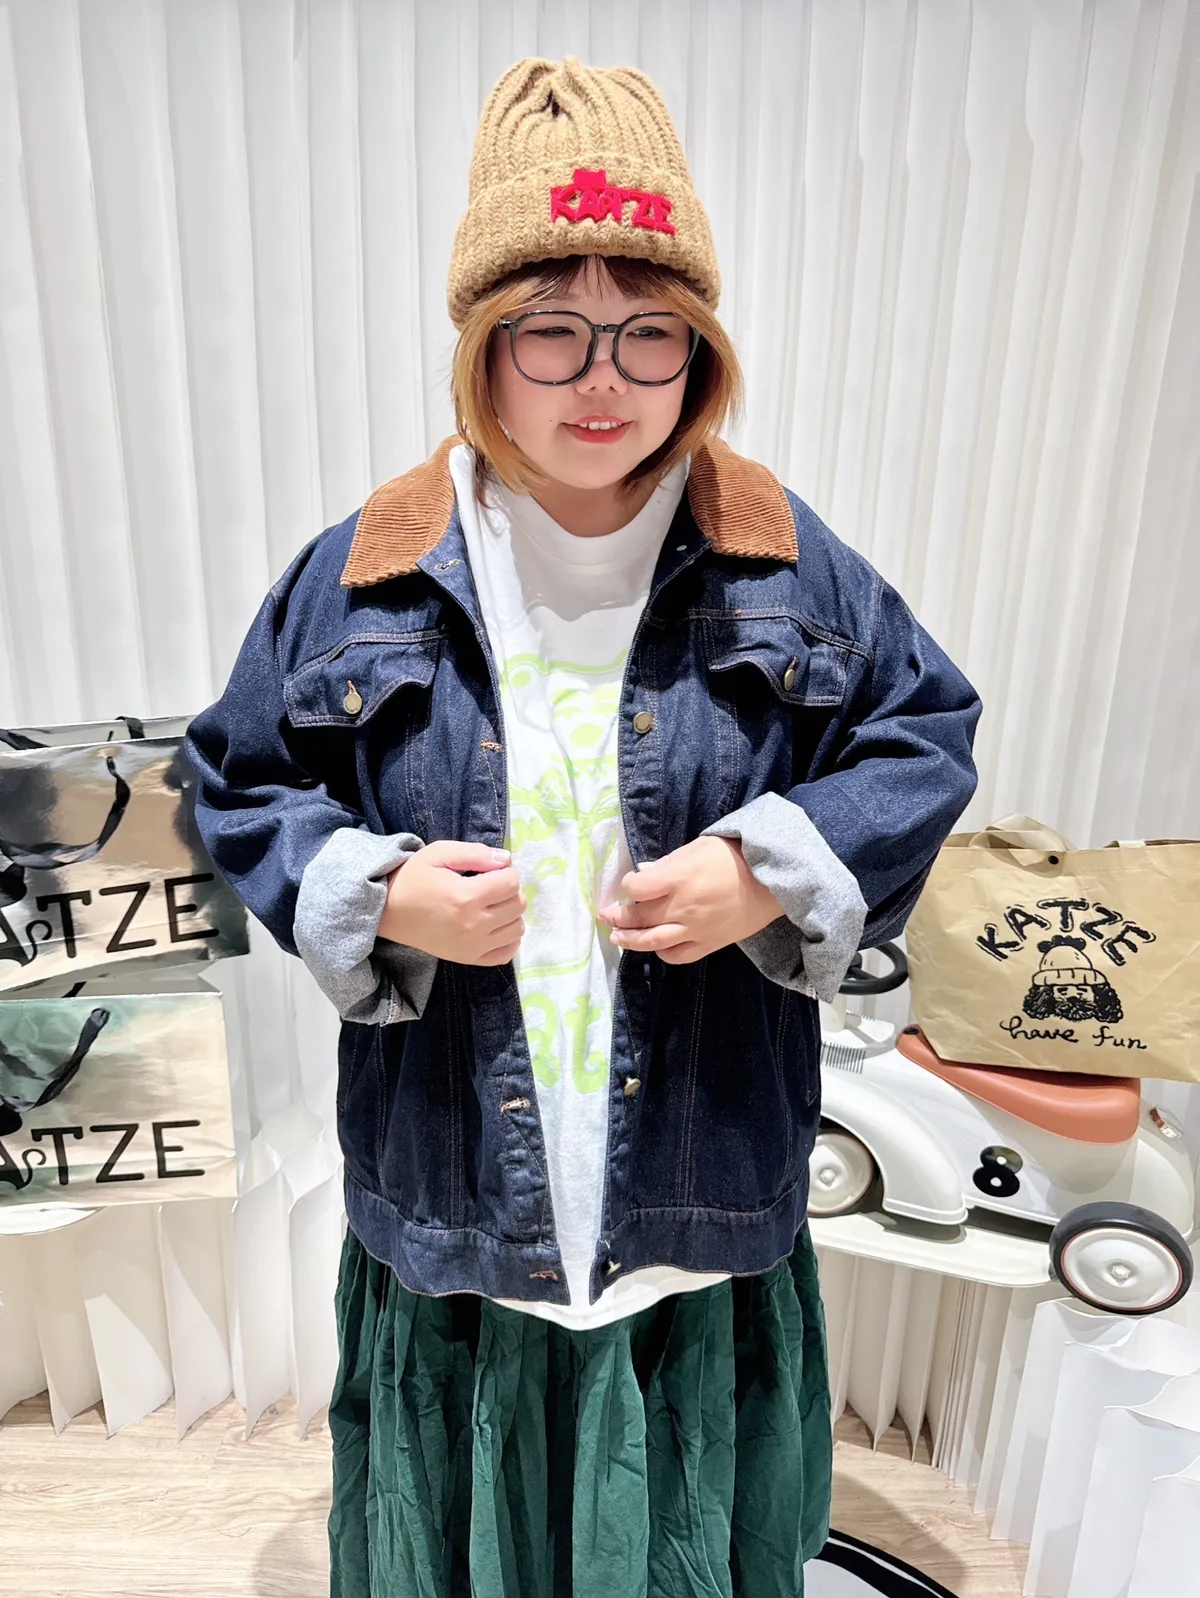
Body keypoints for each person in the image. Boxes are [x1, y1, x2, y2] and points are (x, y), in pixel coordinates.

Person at [186, 55, 981, 1598]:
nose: (600, 376)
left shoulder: (787, 564)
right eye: (551, 327)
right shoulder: (362, 573)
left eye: (648, 329)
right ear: (484, 349)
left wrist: (767, 868)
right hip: (459, 1184)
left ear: (700, 351)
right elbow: (236, 779)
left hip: (695, 1174)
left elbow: (922, 732)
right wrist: (375, 890)